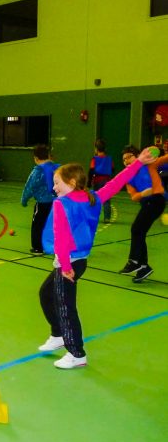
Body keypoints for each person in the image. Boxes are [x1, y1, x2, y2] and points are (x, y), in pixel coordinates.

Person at [38, 147, 157, 369]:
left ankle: (76, 353)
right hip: (79, 260)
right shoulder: (93, 198)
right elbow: (117, 182)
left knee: (65, 308)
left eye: (57, 183)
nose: (54, 187)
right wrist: (139, 162)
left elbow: (61, 237)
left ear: (72, 182)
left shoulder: (62, 204)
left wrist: (65, 266)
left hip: (68, 263)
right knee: (46, 293)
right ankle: (58, 334)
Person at [118, 145, 168, 282]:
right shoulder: (128, 176)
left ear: (137, 156)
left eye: (129, 157)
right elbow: (133, 196)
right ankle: (143, 267)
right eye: (124, 159)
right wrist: (142, 194)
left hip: (156, 200)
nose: (126, 161)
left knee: (136, 229)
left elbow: (165, 159)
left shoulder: (149, 165)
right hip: (146, 203)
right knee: (139, 232)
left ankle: (134, 261)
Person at [21, 144, 59, 254]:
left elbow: (29, 187)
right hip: (56, 202)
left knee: (37, 224)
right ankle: (54, 246)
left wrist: (24, 200)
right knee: (53, 224)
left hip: (42, 203)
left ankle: (37, 247)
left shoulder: (37, 171)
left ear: (36, 158)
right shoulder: (56, 168)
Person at [87, 138, 114, 223]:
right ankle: (107, 218)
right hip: (107, 181)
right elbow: (113, 169)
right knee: (106, 200)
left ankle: (94, 216)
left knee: (95, 199)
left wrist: (89, 182)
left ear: (96, 149)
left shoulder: (94, 159)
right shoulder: (109, 159)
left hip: (97, 181)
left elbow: (91, 171)